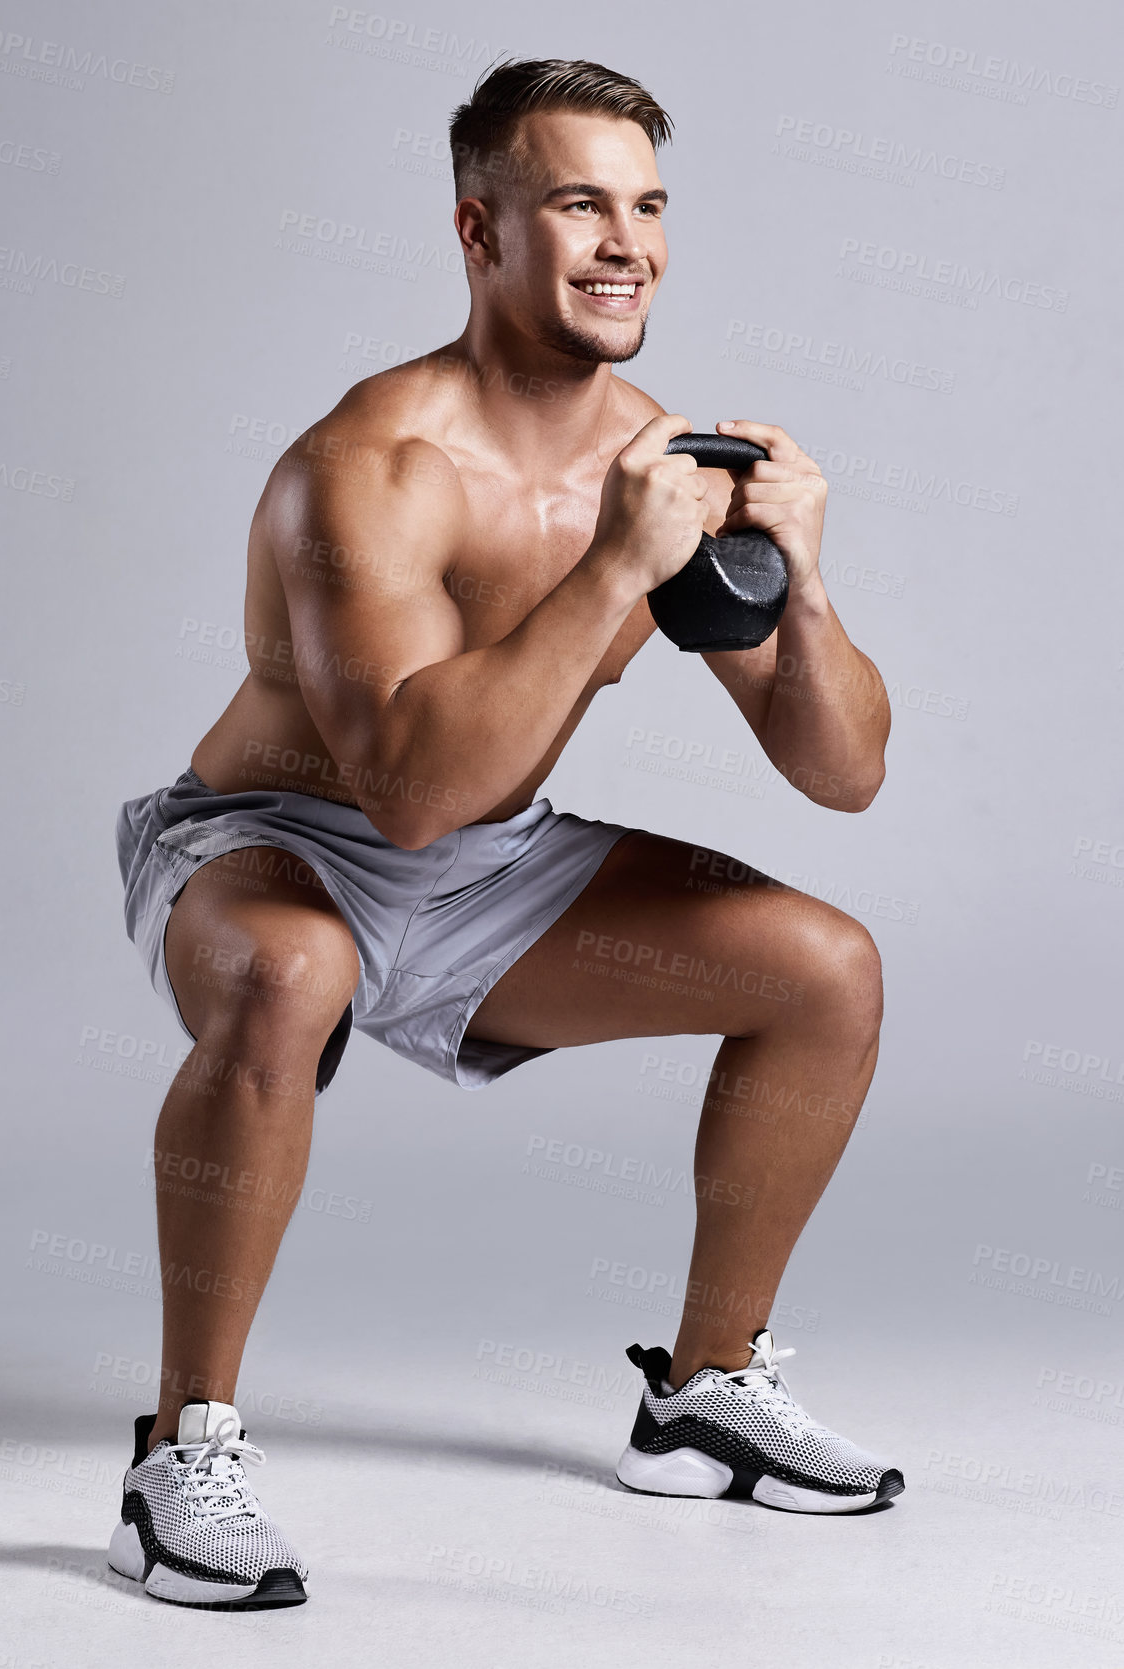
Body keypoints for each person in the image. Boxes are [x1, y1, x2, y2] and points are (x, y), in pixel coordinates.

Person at [108, 56, 900, 1611]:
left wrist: (801, 580)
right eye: (576, 204)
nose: (626, 243)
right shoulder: (370, 465)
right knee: (288, 969)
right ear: (479, 232)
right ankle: (177, 1452)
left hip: (488, 865)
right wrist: (613, 568)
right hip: (268, 844)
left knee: (827, 969)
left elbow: (844, 771)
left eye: (647, 206)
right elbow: (401, 791)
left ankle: (700, 1395)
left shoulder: (662, 459)